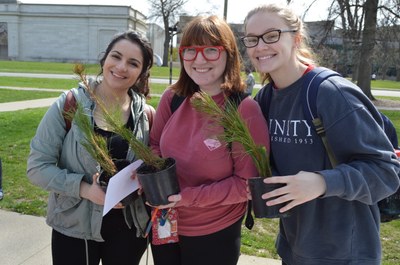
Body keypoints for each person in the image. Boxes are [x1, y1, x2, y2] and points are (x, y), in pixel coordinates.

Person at [242, 4, 400, 265]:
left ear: (295, 38)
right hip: (294, 248)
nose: (260, 46)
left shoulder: (331, 93)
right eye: (252, 39)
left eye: (271, 35)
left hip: (346, 253)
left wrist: (322, 182)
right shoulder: (266, 98)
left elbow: (385, 172)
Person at [149, 15, 270, 265]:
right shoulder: (172, 98)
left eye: (211, 50)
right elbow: (153, 147)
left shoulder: (243, 110)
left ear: (229, 54)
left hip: (214, 233)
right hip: (166, 225)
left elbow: (246, 185)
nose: (199, 60)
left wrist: (188, 196)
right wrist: (149, 181)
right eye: (190, 51)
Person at [27, 30, 155, 265]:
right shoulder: (69, 105)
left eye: (133, 63)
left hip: (128, 230)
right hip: (75, 228)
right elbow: (37, 168)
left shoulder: (147, 116)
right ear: (104, 59)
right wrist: (85, 189)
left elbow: (154, 168)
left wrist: (143, 183)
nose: (121, 66)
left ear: (141, 73)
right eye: (116, 56)